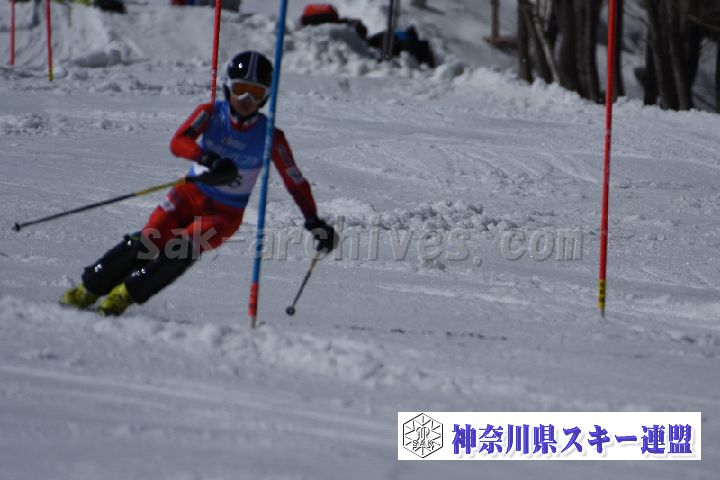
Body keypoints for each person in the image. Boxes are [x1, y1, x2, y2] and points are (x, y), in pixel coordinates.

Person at [60, 50, 337, 316]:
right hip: (189, 195)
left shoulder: (271, 137)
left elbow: (295, 181)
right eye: (240, 88)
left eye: (255, 92)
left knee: (180, 250)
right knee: (149, 240)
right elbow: (178, 142)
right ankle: (88, 289)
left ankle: (123, 296)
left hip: (224, 215)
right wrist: (206, 158)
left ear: (266, 96)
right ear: (228, 87)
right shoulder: (211, 113)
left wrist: (313, 220)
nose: (246, 99)